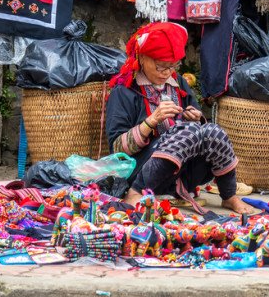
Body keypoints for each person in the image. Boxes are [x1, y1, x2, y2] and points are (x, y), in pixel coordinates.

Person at [105, 22, 252, 214]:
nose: (166, 73)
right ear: (141, 58)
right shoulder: (124, 91)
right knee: (187, 131)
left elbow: (200, 133)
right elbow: (117, 149)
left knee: (213, 131)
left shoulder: (178, 83)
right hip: (140, 170)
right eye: (160, 67)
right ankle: (135, 193)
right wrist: (151, 122)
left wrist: (197, 118)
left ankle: (229, 195)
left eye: (171, 67)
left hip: (182, 173)